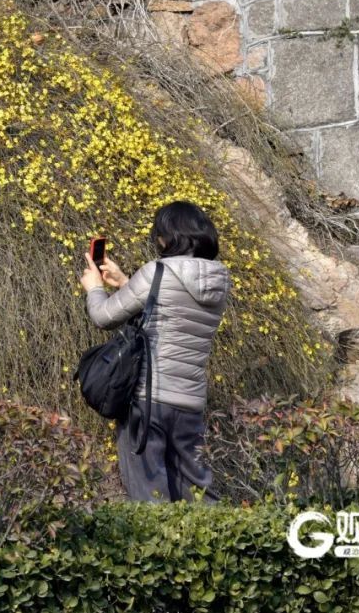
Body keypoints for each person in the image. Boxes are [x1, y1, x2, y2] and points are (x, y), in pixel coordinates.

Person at [78, 201, 231, 503]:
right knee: (196, 492)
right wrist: (124, 282)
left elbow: (103, 316)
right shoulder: (219, 280)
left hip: (150, 402)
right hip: (190, 404)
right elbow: (174, 311)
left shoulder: (158, 271)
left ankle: (159, 551)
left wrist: (95, 287)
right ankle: (217, 545)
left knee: (149, 496)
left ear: (168, 237)